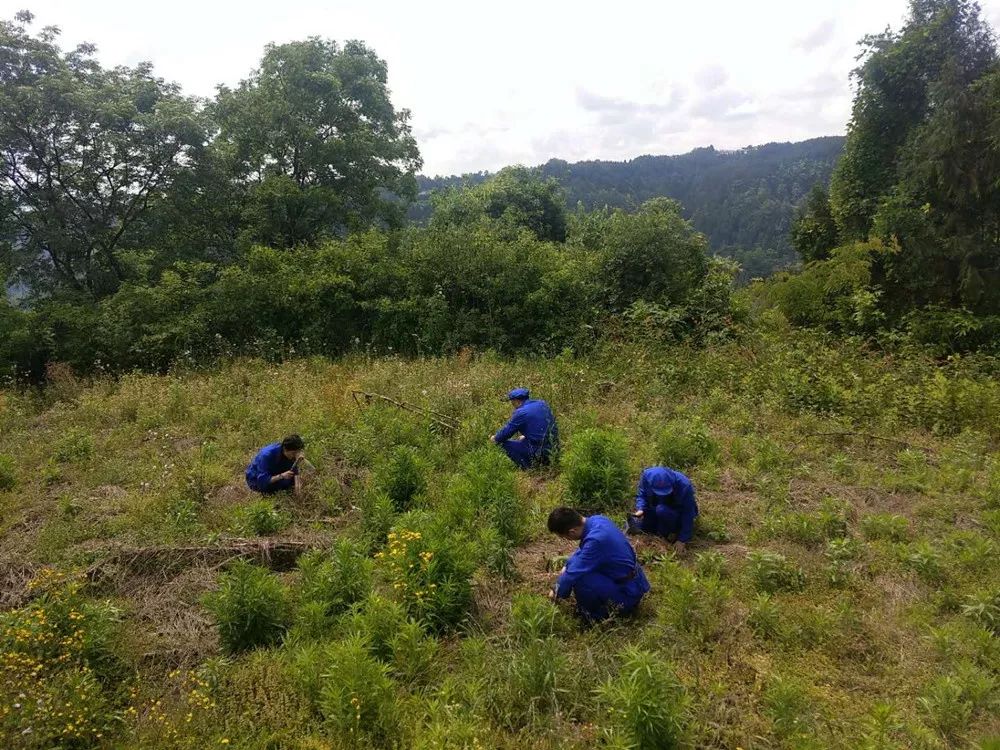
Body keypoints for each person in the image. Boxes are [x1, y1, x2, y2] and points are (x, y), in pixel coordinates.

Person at [547, 507, 650, 623]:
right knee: (578, 568)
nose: (567, 539)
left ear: (572, 531)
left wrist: (556, 591)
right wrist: (568, 564)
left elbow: (573, 573)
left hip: (627, 594)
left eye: (564, 537)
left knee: (582, 578)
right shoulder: (598, 520)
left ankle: (593, 617)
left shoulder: (596, 541)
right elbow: (583, 551)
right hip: (633, 583)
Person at [627, 466, 699, 555]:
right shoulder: (646, 477)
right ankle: (654, 529)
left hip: (674, 513)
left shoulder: (684, 485)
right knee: (636, 524)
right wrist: (640, 508)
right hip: (655, 509)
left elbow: (688, 513)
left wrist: (682, 539)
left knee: (661, 511)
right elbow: (642, 495)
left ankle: (666, 534)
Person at [489, 388, 559, 469]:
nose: (513, 405)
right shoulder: (542, 404)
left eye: (512, 402)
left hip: (539, 452)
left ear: (516, 401)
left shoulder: (521, 412)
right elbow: (541, 426)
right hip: (554, 449)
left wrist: (495, 438)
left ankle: (528, 466)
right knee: (522, 438)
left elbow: (505, 434)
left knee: (501, 443)